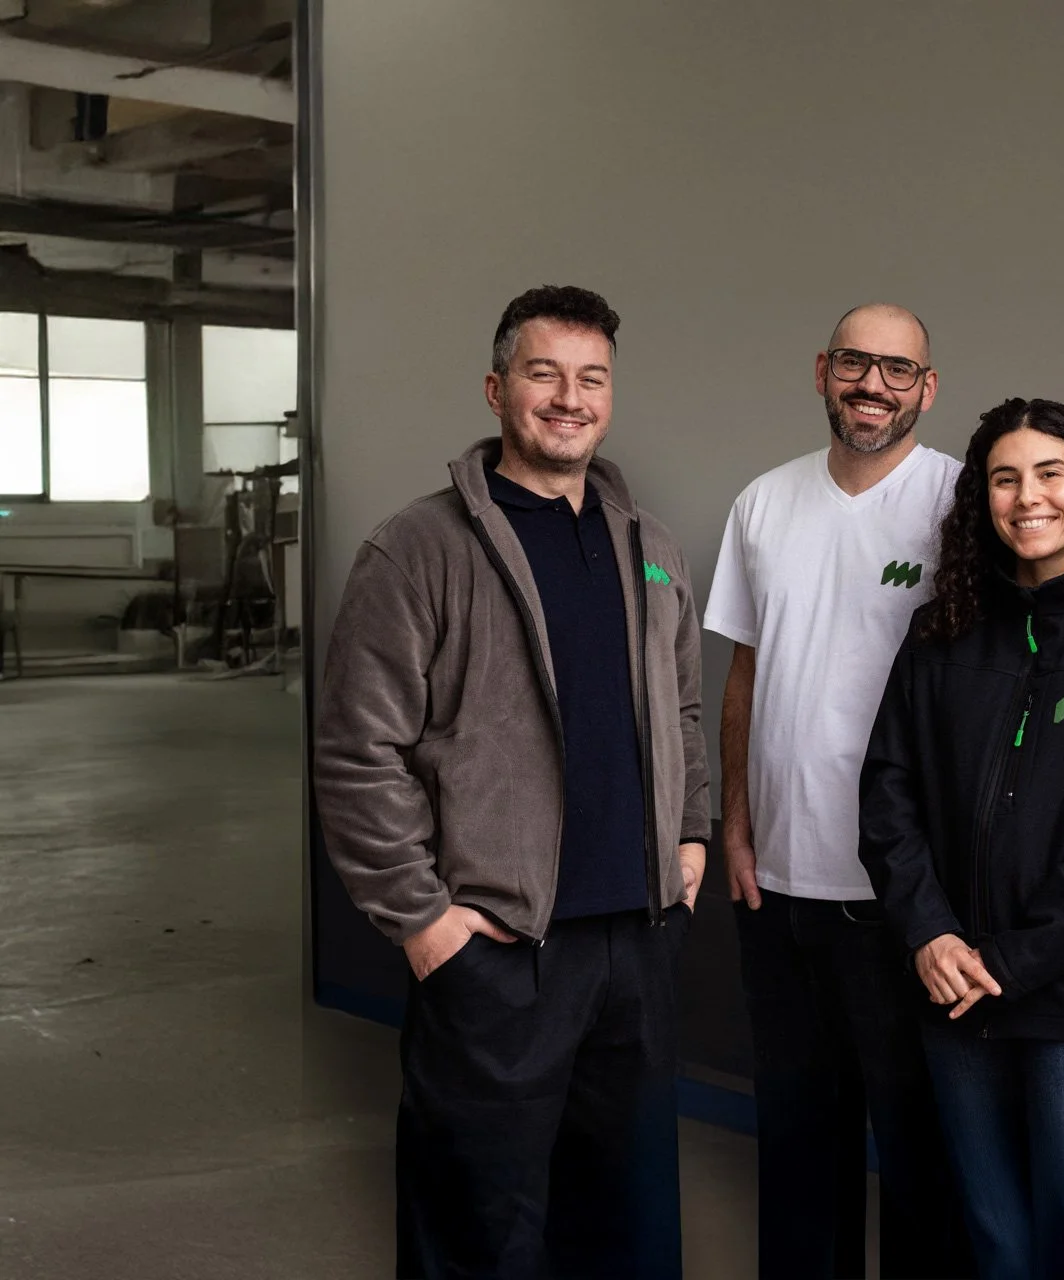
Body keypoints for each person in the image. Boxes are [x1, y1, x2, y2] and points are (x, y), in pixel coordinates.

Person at [313, 285, 707, 1279]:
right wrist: (423, 920)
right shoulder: (419, 548)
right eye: (544, 373)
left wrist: (691, 834)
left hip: (635, 943)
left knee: (625, 1219)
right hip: (498, 952)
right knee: (481, 1224)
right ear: (497, 389)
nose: (568, 398)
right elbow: (360, 749)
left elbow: (686, 708)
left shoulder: (648, 546)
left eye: (591, 378)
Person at [860, 397, 1064, 1280]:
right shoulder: (941, 631)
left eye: (1049, 473)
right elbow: (887, 791)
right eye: (1004, 479)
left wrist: (1011, 959)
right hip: (954, 989)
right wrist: (931, 933)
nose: (1027, 497)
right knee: (994, 1240)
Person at [704, 303, 973, 1278]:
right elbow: (745, 671)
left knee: (917, 1153)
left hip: (903, 899)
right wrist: (734, 820)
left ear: (927, 388)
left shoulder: (962, 504)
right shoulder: (763, 503)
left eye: (898, 369)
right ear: (822, 369)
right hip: (777, 886)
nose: (874, 384)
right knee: (797, 1134)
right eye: (856, 362)